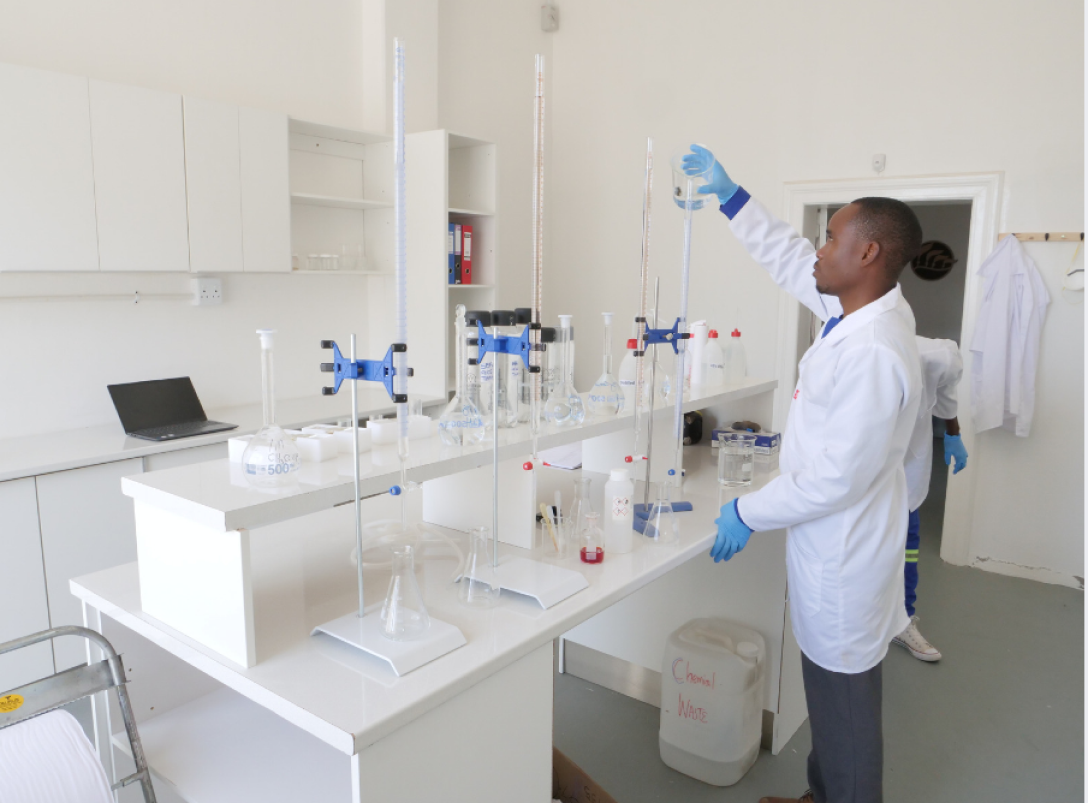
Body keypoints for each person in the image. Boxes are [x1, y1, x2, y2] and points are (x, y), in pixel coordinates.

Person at [685, 144, 922, 803]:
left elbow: (833, 480)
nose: (818, 248)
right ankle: (821, 795)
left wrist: (746, 510)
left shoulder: (873, 350)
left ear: (867, 253)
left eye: (832, 237)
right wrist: (732, 197)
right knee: (830, 702)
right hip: (835, 546)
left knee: (845, 714)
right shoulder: (859, 306)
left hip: (844, 558)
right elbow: (790, 260)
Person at [893, 336, 968, 661]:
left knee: (907, 545)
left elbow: (947, 392)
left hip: (909, 457)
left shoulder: (936, 355)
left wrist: (953, 433)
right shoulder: (851, 352)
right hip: (865, 462)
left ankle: (903, 620)